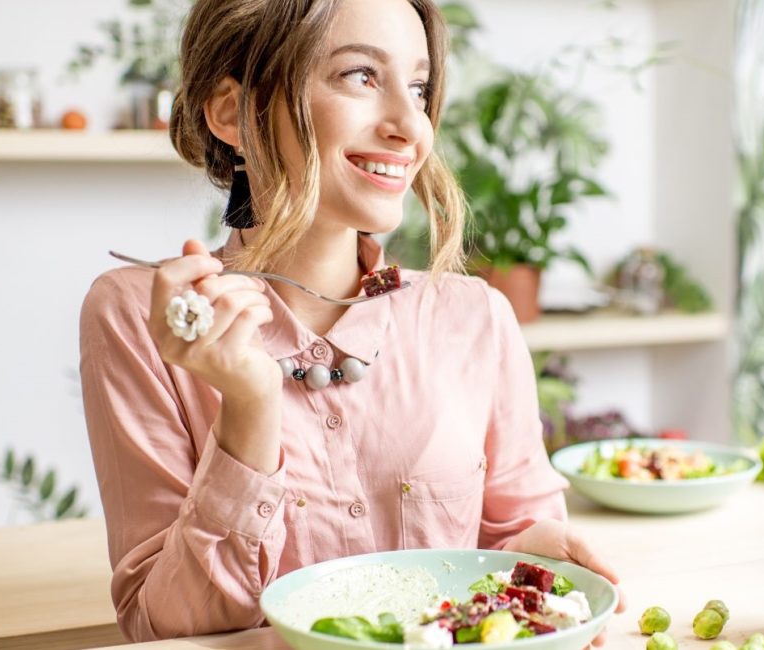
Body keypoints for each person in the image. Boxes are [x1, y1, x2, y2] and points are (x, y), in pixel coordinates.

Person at [79, 0, 624, 642]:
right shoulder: (144, 318)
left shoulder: (475, 317)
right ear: (233, 113)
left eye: (418, 88)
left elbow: (508, 549)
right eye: (360, 75)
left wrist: (543, 564)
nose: (410, 127)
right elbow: (166, 627)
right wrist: (250, 407)